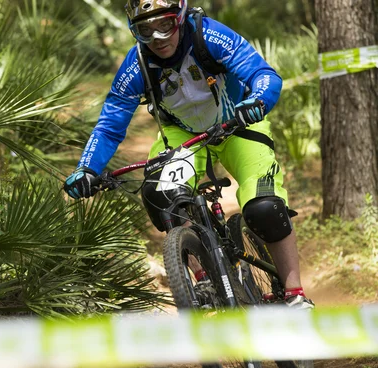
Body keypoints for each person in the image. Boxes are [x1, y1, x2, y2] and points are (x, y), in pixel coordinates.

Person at [63, 0, 314, 309]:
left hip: (237, 122)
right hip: (183, 135)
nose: (157, 38)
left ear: (179, 18)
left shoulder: (207, 36)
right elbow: (109, 126)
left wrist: (257, 101)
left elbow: (264, 75)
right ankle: (203, 278)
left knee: (264, 207)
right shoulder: (137, 64)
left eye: (165, 25)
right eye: (145, 30)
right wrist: (87, 168)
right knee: (161, 196)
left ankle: (295, 295)